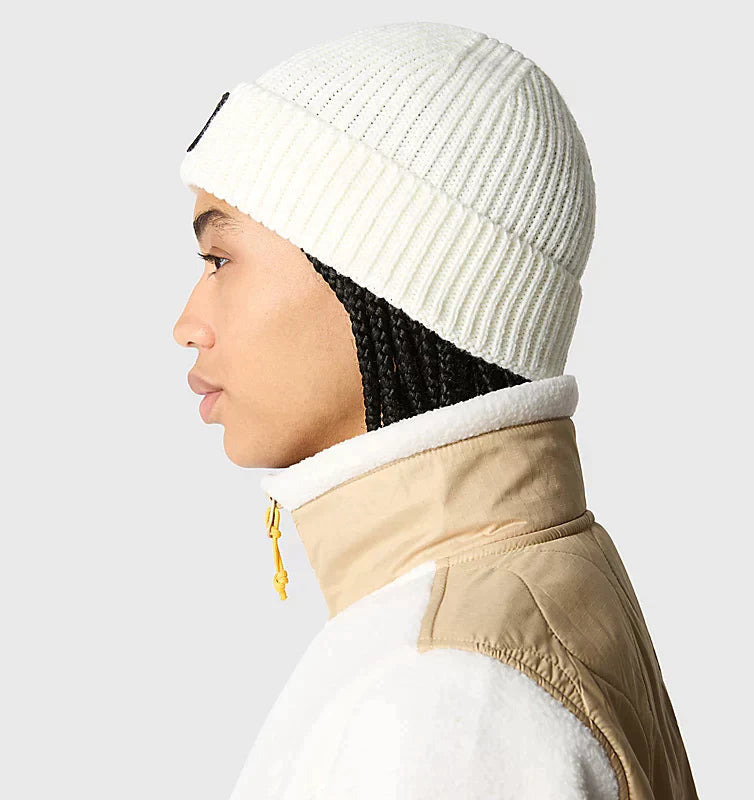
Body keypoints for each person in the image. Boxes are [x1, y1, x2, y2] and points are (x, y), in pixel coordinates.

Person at [173, 21, 699, 800]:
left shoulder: (442, 705)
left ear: (379, 278)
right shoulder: (530, 583)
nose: (187, 324)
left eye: (219, 259)